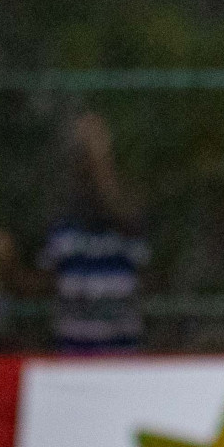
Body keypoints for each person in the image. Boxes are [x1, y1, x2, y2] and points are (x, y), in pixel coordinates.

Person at [37, 111, 149, 354]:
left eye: (95, 142)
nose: (87, 150)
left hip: (122, 352)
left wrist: (101, 165)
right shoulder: (61, 216)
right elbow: (44, 281)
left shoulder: (127, 209)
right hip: (72, 350)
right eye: (81, 144)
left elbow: (147, 267)